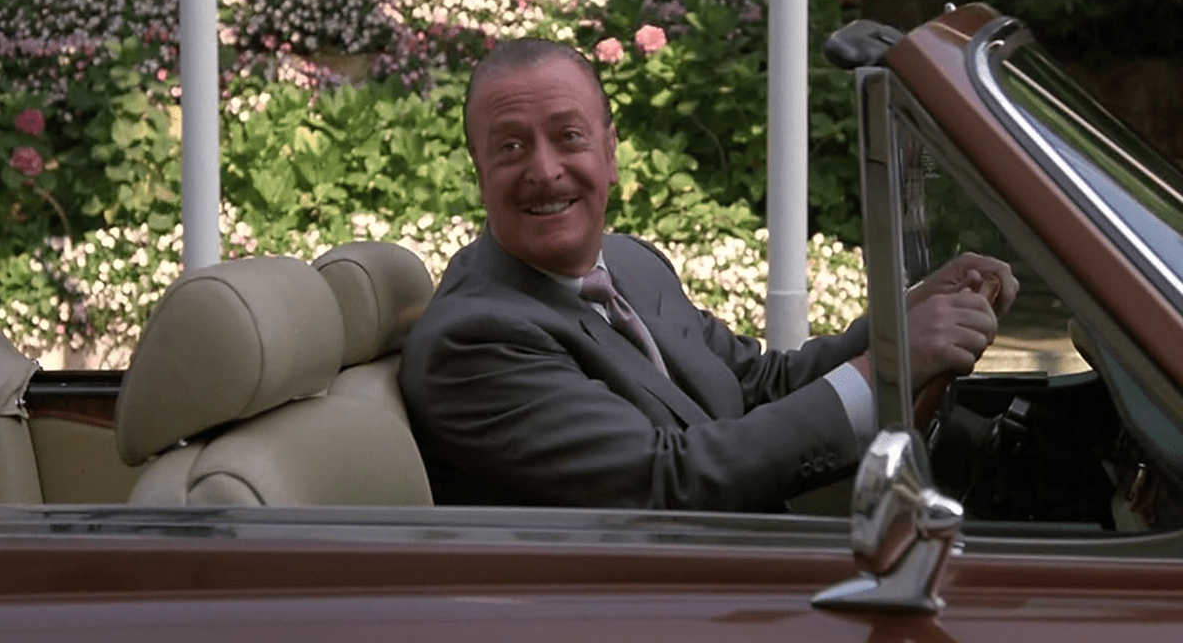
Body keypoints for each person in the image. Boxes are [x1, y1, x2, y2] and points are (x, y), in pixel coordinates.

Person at [398, 38, 1017, 511]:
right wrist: (885, 367)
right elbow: (669, 478)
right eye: (510, 147)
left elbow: (758, 383)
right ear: (478, 172)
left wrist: (901, 324)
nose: (545, 169)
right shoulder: (474, 340)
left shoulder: (633, 264)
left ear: (610, 154)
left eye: (569, 137)